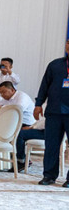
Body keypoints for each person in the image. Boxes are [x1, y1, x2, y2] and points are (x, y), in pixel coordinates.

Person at [34, 39, 69, 186]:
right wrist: (38, 104)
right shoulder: (55, 64)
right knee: (51, 145)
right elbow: (44, 85)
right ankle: (49, 175)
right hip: (54, 111)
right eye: (68, 42)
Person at [0, 81, 36, 172]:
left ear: (12, 90)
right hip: (13, 121)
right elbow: (1, 107)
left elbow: (17, 109)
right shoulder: (5, 98)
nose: (2, 95)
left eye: (4, 92)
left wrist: (1, 108)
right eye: (0, 93)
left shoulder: (22, 96)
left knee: (13, 134)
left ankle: (21, 161)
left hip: (26, 123)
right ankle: (2, 159)